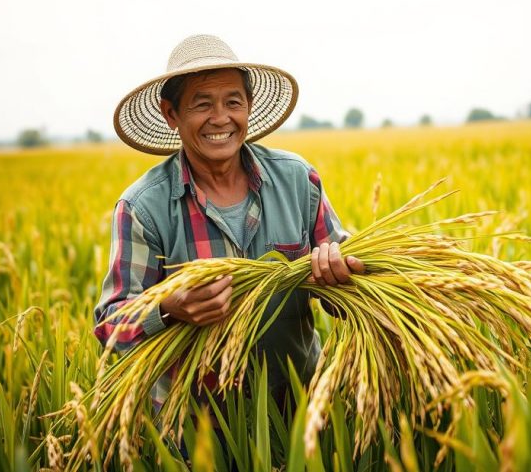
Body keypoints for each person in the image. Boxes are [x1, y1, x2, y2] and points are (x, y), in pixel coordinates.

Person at [93, 34, 364, 404]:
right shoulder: (143, 207)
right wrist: (168, 308)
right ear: (171, 114)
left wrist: (341, 277)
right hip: (194, 430)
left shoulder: (298, 181)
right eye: (202, 104)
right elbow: (110, 325)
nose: (220, 118)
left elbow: (349, 282)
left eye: (232, 102)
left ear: (249, 106)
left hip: (298, 408)